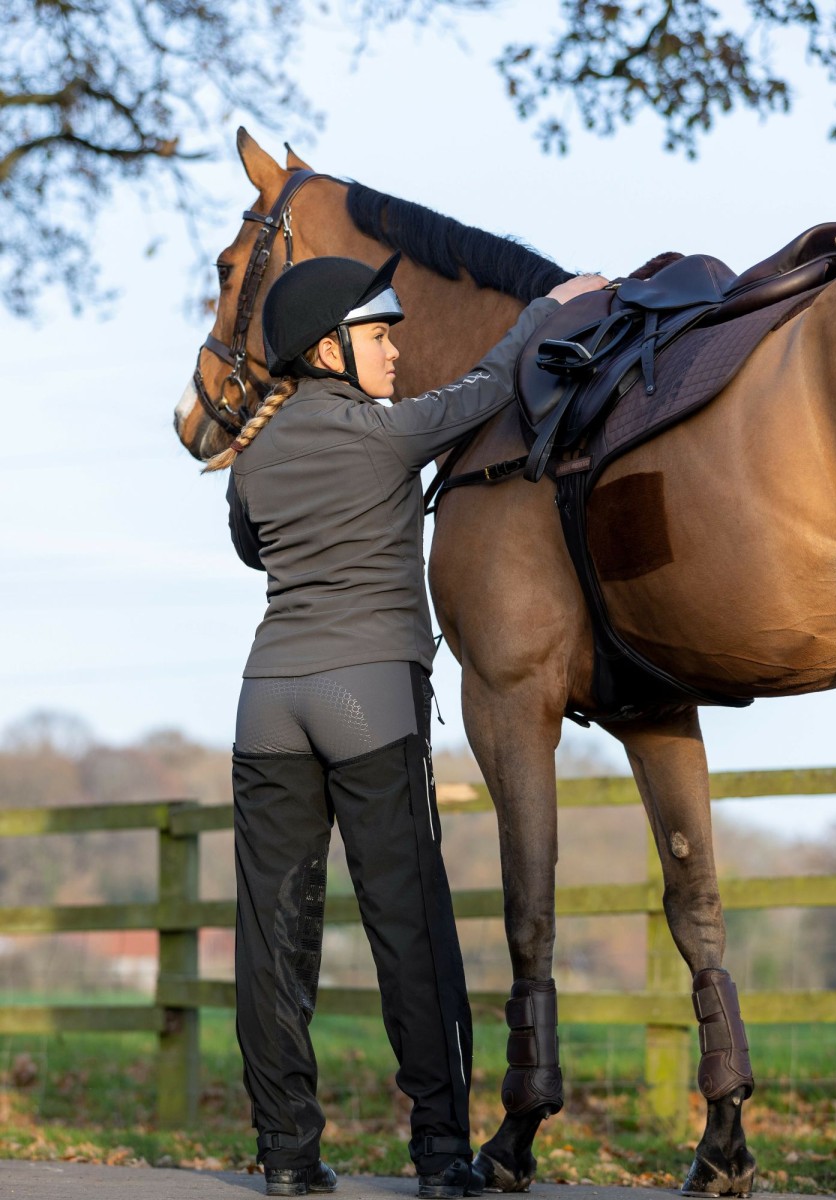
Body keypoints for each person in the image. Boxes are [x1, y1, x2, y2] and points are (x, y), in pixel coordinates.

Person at [203, 251, 607, 1198]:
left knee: (271, 939)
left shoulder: (252, 461)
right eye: (378, 334)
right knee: (410, 932)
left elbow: (250, 540)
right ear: (328, 351)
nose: (396, 347)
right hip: (366, 700)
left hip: (266, 702)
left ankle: (288, 1160)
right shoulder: (388, 436)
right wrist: (550, 306)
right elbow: (492, 381)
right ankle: (437, 1156)